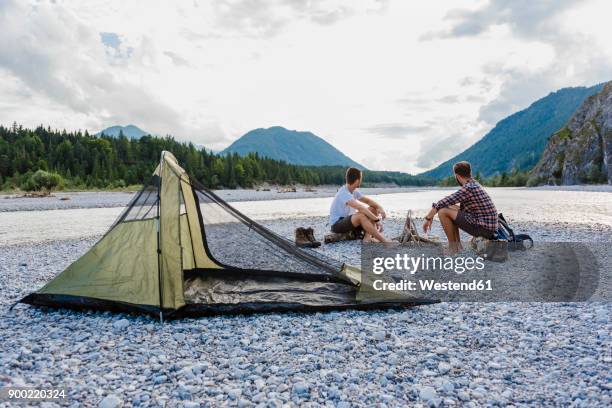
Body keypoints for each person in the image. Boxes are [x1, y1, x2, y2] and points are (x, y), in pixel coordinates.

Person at [423, 161, 497, 253]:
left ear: (457, 176)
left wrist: (428, 218)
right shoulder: (473, 183)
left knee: (442, 211)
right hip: (488, 227)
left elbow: (441, 203)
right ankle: (458, 246)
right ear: (469, 173)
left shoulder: (468, 188)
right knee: (448, 206)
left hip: (484, 229)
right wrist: (433, 214)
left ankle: (453, 248)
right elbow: (447, 202)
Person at [329, 167, 390, 243]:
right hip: (337, 225)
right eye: (361, 179)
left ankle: (367, 238)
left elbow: (368, 201)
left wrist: (380, 208)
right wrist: (376, 220)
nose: (361, 181)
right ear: (357, 180)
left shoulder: (354, 191)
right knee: (360, 215)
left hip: (350, 222)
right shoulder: (343, 193)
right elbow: (360, 207)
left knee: (373, 209)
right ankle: (385, 242)